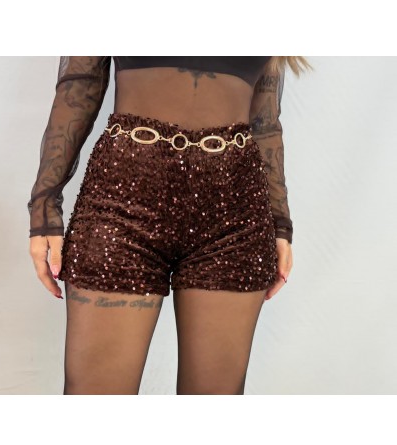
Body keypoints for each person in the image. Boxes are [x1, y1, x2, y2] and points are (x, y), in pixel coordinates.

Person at [28, 56, 313, 395]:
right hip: (121, 202)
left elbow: (264, 120)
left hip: (235, 215)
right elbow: (79, 86)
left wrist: (280, 221)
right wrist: (44, 207)